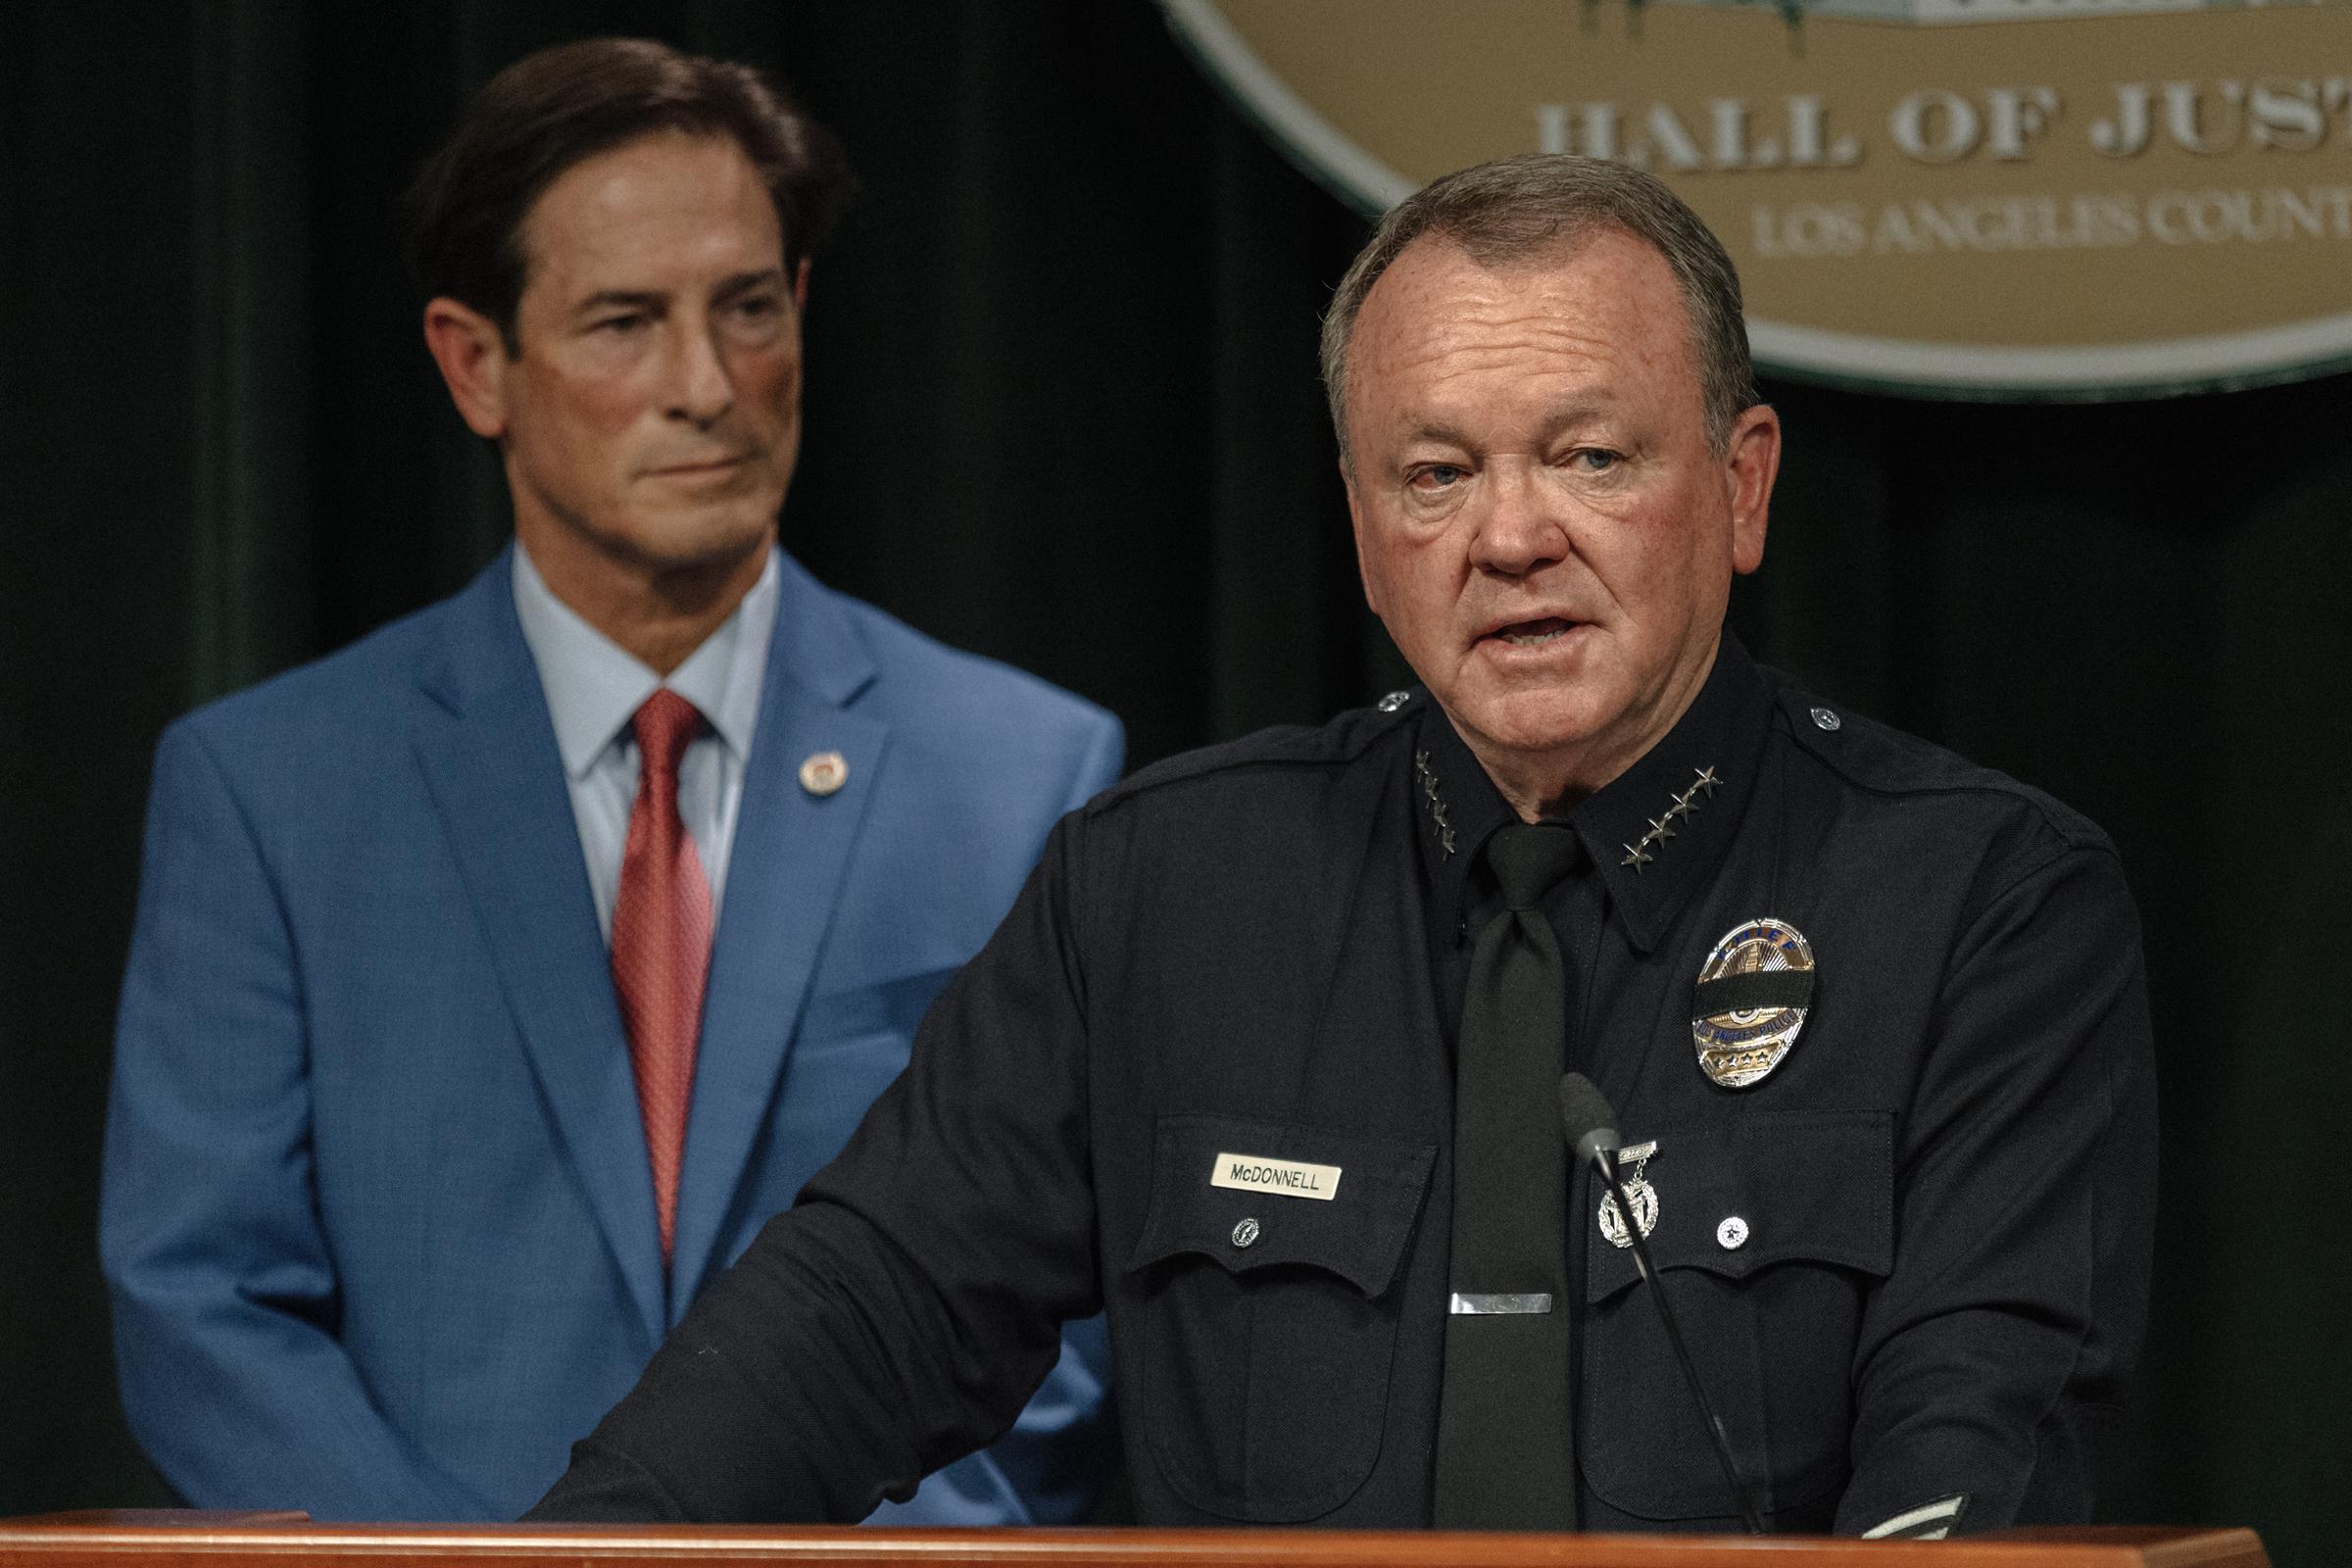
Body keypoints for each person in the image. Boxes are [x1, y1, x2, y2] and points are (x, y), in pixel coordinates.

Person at [525, 154, 2156, 1538]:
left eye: (1590, 456)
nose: (1513, 537)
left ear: (1740, 488)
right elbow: (859, 1317)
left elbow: (1978, 1462)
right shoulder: (1164, 888)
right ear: (1368, 537)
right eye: (1435, 474)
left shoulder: (1981, 909)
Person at [100, 37, 1120, 1525]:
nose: (706, 386)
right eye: (624, 323)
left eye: (749, 310)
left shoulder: (1023, 774)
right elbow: (201, 1303)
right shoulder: (269, 793)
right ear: (475, 364)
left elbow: (1074, 1321)